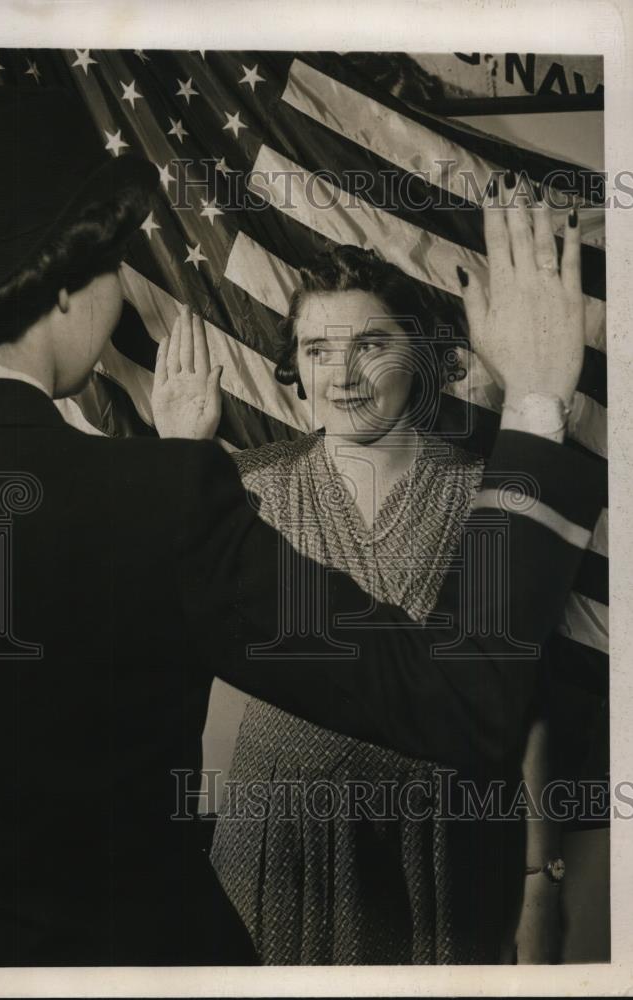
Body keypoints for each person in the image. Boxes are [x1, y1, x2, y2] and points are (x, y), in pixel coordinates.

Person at [0, 85, 602, 967]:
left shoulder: (165, 489)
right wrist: (539, 397)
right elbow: (462, 699)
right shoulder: (166, 498)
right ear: (61, 284)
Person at [151, 244, 565, 963]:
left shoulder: (490, 498)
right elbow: (152, 659)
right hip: (279, 833)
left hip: (442, 837)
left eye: (371, 344)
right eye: (317, 349)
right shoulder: (244, 488)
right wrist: (175, 463)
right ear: (296, 368)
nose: (342, 376)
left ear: (424, 356)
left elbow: (525, 704)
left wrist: (540, 881)